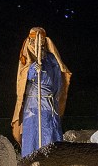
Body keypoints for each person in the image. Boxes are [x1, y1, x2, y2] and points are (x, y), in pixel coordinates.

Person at [11, 27, 71, 157]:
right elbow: (21, 79)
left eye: (40, 41)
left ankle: (53, 162)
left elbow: (58, 79)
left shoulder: (52, 59)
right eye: (33, 41)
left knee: (50, 133)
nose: (36, 44)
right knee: (32, 134)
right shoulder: (26, 57)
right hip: (32, 105)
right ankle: (30, 163)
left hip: (48, 104)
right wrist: (31, 70)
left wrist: (55, 97)